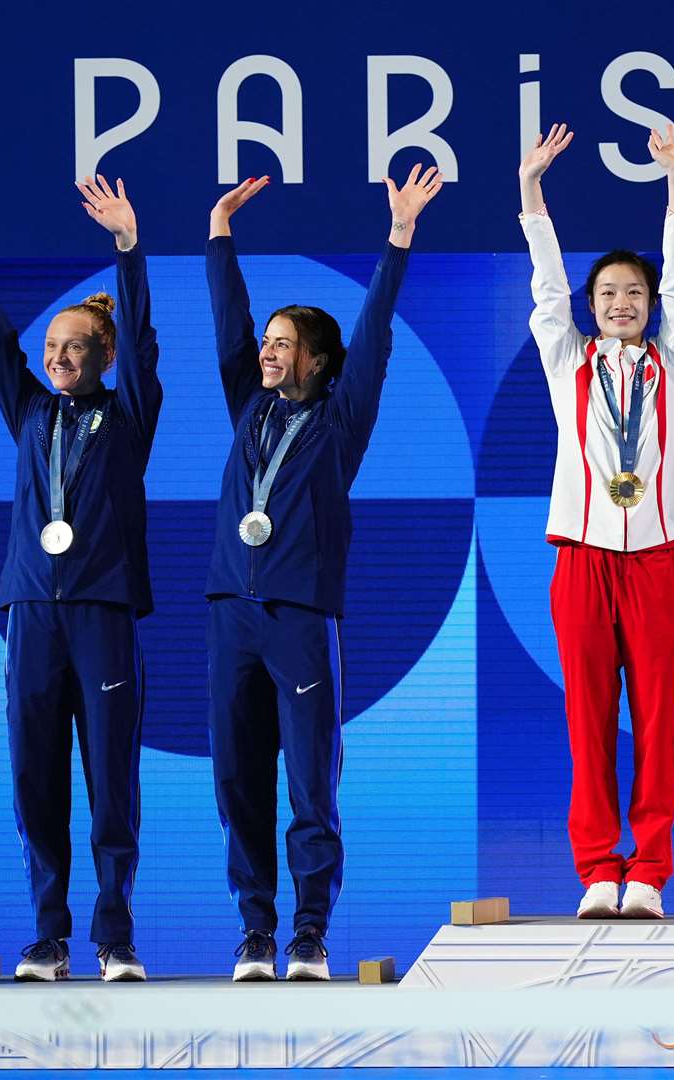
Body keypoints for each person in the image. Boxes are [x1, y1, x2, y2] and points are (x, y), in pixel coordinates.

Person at [204, 166, 440, 979]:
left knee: (309, 783)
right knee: (237, 782)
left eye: (283, 343)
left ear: (314, 359)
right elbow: (226, 327)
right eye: (266, 342)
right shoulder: (248, 407)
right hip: (232, 612)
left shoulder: (341, 422)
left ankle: (308, 933)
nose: (266, 351)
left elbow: (373, 334)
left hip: (303, 617)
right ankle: (256, 933)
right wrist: (219, 235)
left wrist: (399, 237)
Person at [0, 159, 161, 982]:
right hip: (31, 608)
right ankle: (48, 936)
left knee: (110, 780)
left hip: (102, 609)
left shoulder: (130, 413)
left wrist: (128, 251)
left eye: (76, 347)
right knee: (36, 777)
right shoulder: (28, 407)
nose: (58, 355)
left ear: (102, 354)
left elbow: (141, 345)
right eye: (53, 347)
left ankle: (115, 936)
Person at [518, 123, 674, 919]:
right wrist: (532, 189)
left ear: (652, 306)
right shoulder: (569, 361)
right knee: (587, 723)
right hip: (584, 559)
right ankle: (598, 868)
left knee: (657, 726)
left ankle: (650, 873)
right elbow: (545, 283)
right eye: (608, 296)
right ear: (590, 310)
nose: (622, 304)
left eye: (635, 293)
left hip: (660, 559)